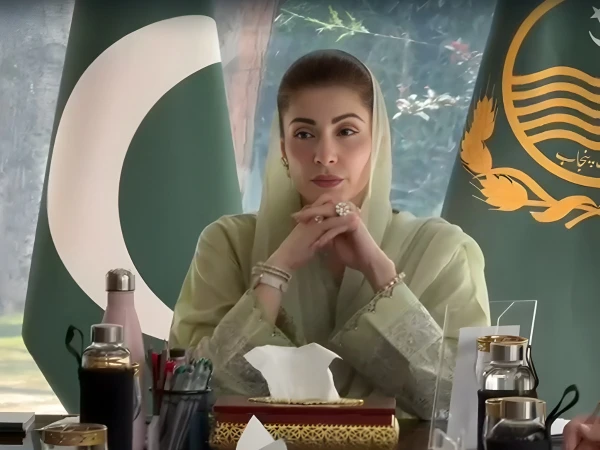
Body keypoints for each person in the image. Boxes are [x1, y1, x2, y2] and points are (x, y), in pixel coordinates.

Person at [169, 49, 491, 419]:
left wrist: (380, 273)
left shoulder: (442, 251)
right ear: (283, 149)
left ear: (377, 142)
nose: (325, 154)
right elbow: (188, 397)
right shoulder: (228, 244)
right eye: (304, 134)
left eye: (346, 131)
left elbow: (465, 404)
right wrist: (277, 269)